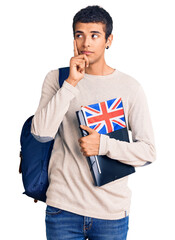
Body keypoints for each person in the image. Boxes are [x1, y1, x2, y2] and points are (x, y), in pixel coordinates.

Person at [31, 5, 156, 240]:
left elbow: (148, 151)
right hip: (63, 208)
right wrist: (71, 83)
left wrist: (104, 145)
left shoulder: (130, 88)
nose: (86, 43)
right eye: (80, 35)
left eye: (94, 35)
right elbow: (41, 133)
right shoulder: (57, 79)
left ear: (109, 40)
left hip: (111, 212)